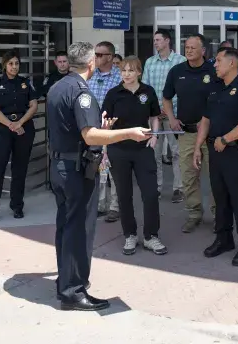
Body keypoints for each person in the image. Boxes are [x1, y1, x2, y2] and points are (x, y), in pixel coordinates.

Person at [47, 41, 151, 311]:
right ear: (91, 62)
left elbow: (77, 128)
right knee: (79, 230)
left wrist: (102, 128)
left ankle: (67, 280)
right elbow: (89, 135)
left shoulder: (58, 87)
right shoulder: (82, 93)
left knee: (66, 228)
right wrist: (128, 133)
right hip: (75, 171)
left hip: (60, 167)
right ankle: (73, 291)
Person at [194, 47, 238, 266]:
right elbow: (205, 119)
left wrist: (226, 139)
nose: (214, 64)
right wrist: (197, 147)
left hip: (236, 152)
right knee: (220, 197)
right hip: (215, 151)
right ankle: (224, 239)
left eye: (219, 60)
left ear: (232, 63)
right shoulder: (215, 88)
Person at [103, 56, 168, 256]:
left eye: (131, 70)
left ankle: (151, 237)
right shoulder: (113, 94)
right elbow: (105, 124)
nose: (127, 74)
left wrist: (155, 137)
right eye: (123, 70)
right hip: (118, 150)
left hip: (143, 149)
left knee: (150, 194)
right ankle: (130, 235)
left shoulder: (147, 91)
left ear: (139, 72)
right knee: (124, 195)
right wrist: (105, 150)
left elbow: (154, 117)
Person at [163, 34, 217, 233]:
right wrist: (171, 118)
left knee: (214, 176)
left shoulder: (214, 71)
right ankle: (194, 213)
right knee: (188, 176)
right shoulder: (177, 71)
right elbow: (166, 98)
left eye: (193, 48)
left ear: (203, 51)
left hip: (212, 133)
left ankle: (219, 214)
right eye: (186, 47)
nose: (189, 50)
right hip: (187, 132)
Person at [0, 50, 38, 225]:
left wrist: (20, 123)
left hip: (24, 129)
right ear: (5, 65)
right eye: (11, 63)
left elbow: (34, 105)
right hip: (3, 130)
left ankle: (17, 206)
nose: (14, 67)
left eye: (17, 63)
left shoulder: (25, 83)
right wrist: (11, 124)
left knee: (19, 170)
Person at [142, 29, 186, 203]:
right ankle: (157, 187)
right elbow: (145, 88)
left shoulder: (180, 61)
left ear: (167, 41)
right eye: (154, 40)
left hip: (174, 114)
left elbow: (182, 89)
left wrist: (167, 109)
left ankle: (178, 188)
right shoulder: (150, 62)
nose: (155, 43)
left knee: (177, 152)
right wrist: (154, 110)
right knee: (154, 153)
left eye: (158, 40)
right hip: (154, 116)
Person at [88, 41, 122, 222]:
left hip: (114, 130)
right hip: (94, 129)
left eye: (100, 55)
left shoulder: (120, 77)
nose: (97, 58)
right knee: (99, 167)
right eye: (96, 54)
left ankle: (115, 206)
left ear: (110, 57)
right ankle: (101, 204)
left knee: (114, 169)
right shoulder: (91, 76)